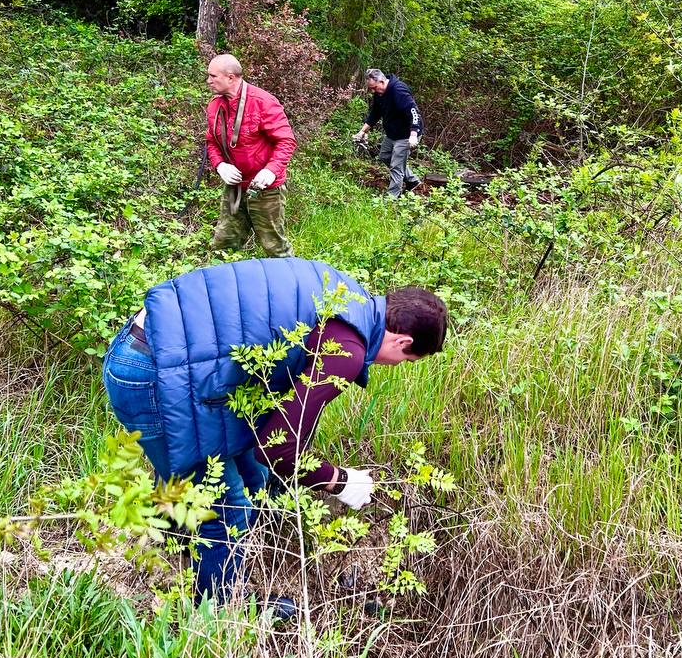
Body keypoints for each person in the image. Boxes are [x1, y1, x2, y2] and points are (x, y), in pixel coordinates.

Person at [101, 257, 448, 604]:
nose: (397, 364)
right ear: (402, 342)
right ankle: (218, 614)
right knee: (226, 512)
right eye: (408, 360)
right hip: (153, 374)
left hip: (145, 344)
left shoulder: (344, 293)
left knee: (252, 479)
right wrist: (340, 481)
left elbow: (266, 441)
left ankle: (173, 546)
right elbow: (275, 448)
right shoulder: (347, 352)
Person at [205, 52, 297, 256]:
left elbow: (286, 141)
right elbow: (211, 141)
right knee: (224, 244)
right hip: (234, 186)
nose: (208, 81)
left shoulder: (263, 102)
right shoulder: (215, 106)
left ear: (230, 77)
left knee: (275, 248)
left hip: (265, 188)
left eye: (213, 76)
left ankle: (289, 283)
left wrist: (271, 171)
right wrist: (220, 165)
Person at [352, 68, 423, 198]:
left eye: (374, 88)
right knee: (384, 155)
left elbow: (413, 112)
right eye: (370, 89)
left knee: (396, 166)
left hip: (406, 134)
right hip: (392, 133)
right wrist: (362, 132)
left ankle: (392, 198)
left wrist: (413, 135)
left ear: (382, 81)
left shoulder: (398, 91)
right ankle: (412, 180)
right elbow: (375, 114)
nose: (373, 91)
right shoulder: (379, 94)